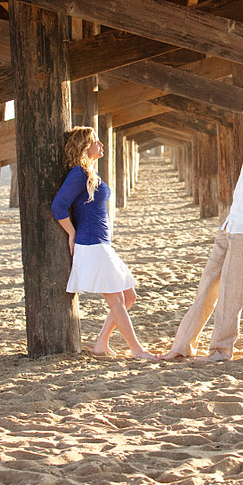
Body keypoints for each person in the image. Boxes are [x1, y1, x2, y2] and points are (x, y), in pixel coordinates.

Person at [162, 85, 243, 362]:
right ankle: (183, 345)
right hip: (232, 224)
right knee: (208, 284)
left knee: (231, 290)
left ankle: (221, 350)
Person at [52, 126, 158, 361]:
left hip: (102, 243)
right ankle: (137, 350)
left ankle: (102, 343)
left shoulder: (89, 173)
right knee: (117, 299)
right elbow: (58, 206)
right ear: (84, 146)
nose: (101, 145)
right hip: (90, 243)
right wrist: (71, 233)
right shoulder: (79, 173)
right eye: (96, 141)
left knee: (129, 296)